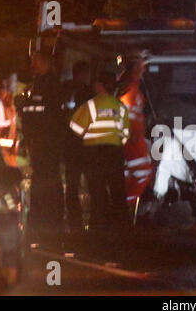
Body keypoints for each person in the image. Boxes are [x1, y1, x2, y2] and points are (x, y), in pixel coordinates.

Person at [70, 72, 131, 237]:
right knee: (118, 190)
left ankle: (99, 227)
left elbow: (75, 128)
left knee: (97, 191)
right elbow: (125, 134)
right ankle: (122, 227)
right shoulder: (119, 106)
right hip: (115, 153)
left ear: (100, 86)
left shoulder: (90, 105)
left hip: (95, 154)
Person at [19, 51, 65, 240]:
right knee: (43, 182)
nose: (32, 65)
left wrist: (25, 106)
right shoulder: (40, 84)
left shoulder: (50, 84)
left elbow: (43, 114)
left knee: (47, 183)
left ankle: (46, 224)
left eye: (35, 62)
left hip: (46, 143)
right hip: (41, 143)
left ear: (44, 63)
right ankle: (41, 224)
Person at [62, 61, 94, 234]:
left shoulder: (66, 90)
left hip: (71, 145)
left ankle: (75, 222)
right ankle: (87, 221)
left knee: (72, 185)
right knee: (88, 184)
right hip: (84, 147)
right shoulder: (87, 93)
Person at [118, 57, 153, 206]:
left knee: (128, 172)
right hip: (132, 139)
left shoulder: (134, 88)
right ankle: (129, 204)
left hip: (134, 138)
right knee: (143, 172)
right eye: (140, 67)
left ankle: (124, 203)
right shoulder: (128, 91)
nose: (144, 70)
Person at [0, 72, 19, 167]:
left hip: (9, 161)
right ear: (4, 82)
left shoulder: (11, 107)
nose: (16, 83)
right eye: (14, 80)